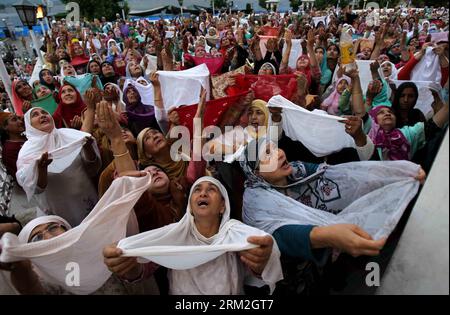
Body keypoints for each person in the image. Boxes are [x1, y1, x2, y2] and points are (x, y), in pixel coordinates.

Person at [103, 176, 283, 295]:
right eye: (197, 190)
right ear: (190, 205)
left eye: (211, 189)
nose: (203, 192)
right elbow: (142, 270)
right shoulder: (173, 235)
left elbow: (258, 268)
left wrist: (263, 259)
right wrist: (125, 263)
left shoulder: (236, 234)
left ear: (222, 206)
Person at [16, 107, 101, 226]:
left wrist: (88, 148)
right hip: (59, 209)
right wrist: (41, 169)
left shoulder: (71, 135)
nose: (42, 115)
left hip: (87, 199)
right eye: (35, 115)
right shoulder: (27, 152)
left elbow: (93, 168)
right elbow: (35, 189)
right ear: (29, 126)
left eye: (45, 112)